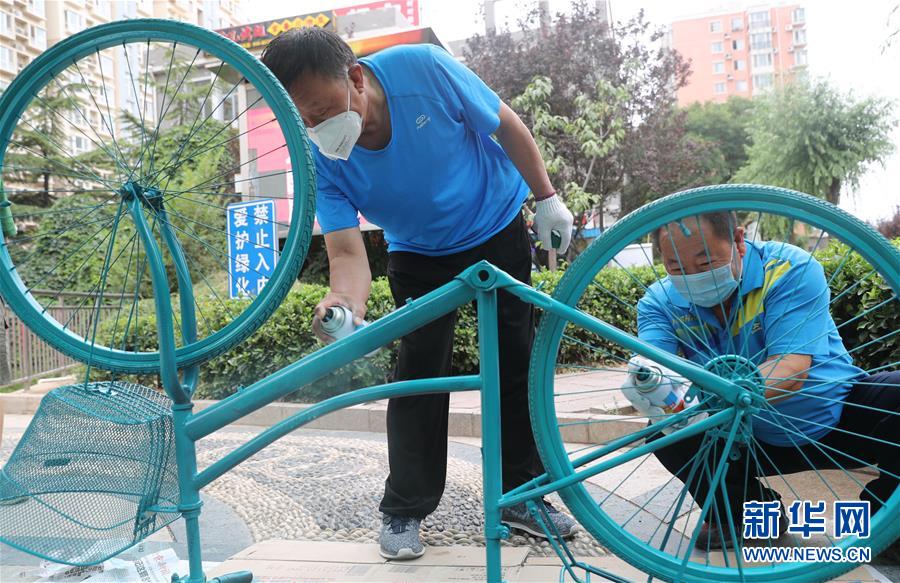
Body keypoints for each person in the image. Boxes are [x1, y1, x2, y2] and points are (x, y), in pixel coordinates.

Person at [260, 28, 577, 559]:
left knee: (516, 362)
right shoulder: (319, 158)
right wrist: (344, 304)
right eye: (304, 121)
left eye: (322, 110)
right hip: (417, 252)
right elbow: (347, 253)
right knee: (419, 375)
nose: (317, 128)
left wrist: (546, 197)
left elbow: (505, 124)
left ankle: (523, 496)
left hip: (495, 223)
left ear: (355, 78)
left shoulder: (423, 69)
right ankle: (404, 508)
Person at [634, 212, 899, 550]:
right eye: (676, 267)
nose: (692, 277)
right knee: (666, 429)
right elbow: (657, 372)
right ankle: (747, 514)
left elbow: (792, 368)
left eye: (706, 263)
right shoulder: (659, 303)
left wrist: (724, 393)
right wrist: (650, 383)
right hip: (742, 437)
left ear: (738, 241)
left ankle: (886, 520)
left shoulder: (788, 269)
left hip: (835, 417)